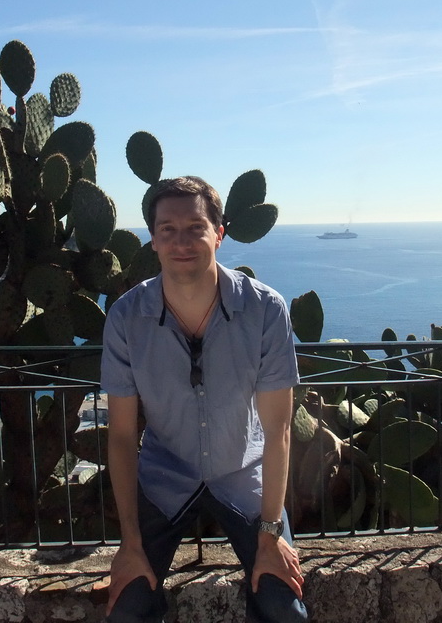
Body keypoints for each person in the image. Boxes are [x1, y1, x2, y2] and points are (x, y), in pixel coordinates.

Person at [100, 176, 309, 623]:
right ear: (153, 240)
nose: (181, 241)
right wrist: (130, 544)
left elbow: (279, 430)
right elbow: (120, 436)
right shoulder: (126, 318)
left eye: (195, 227)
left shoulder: (265, 310)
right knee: (127, 609)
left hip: (244, 474)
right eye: (167, 229)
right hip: (164, 477)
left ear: (219, 233)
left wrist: (271, 534)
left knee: (283, 608)